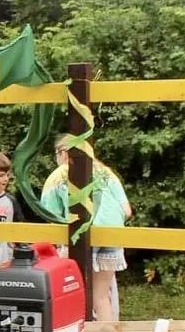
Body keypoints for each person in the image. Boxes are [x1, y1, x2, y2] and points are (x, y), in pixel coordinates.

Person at [42, 135, 133, 321]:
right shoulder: (107, 172)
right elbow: (127, 210)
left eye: (56, 154)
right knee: (101, 296)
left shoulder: (59, 175)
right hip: (112, 235)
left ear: (64, 153)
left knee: (70, 291)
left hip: (79, 236)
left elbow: (49, 216)